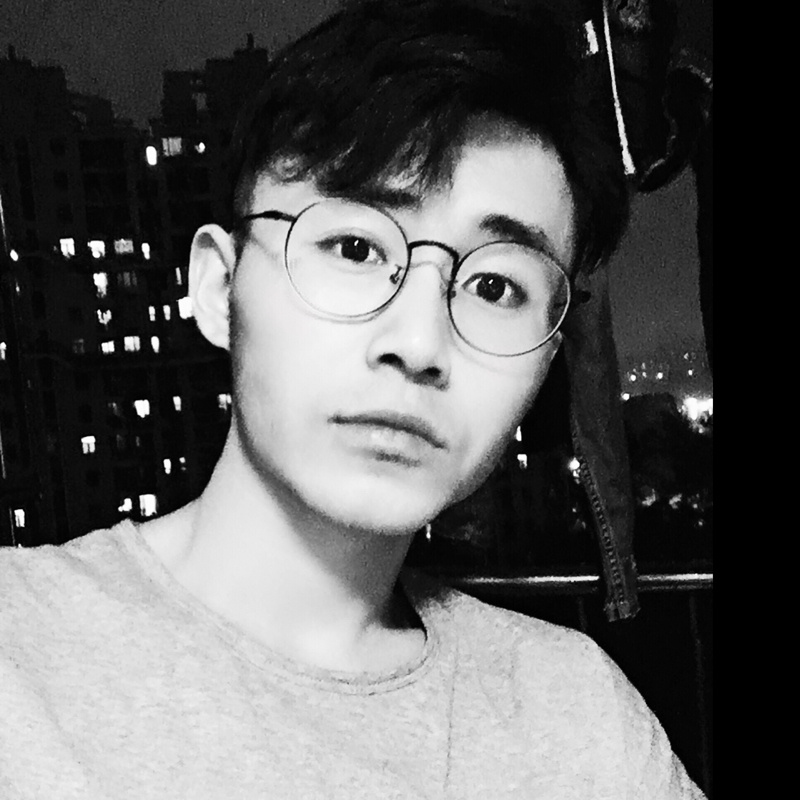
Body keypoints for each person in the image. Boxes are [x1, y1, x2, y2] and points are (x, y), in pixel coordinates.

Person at [1, 0, 705, 796]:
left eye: (494, 287)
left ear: (548, 357)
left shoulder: (580, 720)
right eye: (356, 247)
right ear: (218, 287)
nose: (419, 342)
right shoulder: (21, 656)